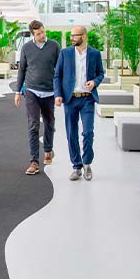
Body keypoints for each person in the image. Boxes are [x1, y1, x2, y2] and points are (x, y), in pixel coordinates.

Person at [53, 26, 105, 181]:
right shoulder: (65, 53)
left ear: (84, 36)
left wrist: (94, 82)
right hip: (70, 99)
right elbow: (57, 76)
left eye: (75, 36)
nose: (72, 38)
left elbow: (101, 73)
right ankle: (76, 166)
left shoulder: (95, 54)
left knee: (88, 132)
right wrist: (58, 95)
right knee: (71, 134)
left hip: (87, 99)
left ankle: (87, 163)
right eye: (71, 36)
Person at [14, 20, 61, 175]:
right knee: (33, 124)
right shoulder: (26, 47)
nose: (42, 35)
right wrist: (17, 92)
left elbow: (60, 69)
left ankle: (48, 149)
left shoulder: (54, 46)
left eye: (43, 31)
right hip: (32, 91)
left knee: (49, 123)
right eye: (38, 33)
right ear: (33, 34)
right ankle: (34, 161)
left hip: (49, 92)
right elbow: (22, 69)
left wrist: (60, 92)